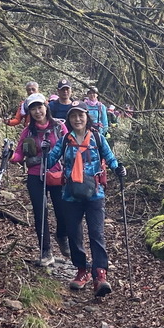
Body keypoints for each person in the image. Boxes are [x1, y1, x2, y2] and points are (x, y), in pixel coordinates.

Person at [43, 101, 126, 297]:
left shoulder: (97, 137)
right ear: (70, 120)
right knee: (74, 234)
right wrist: (43, 153)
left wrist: (118, 168)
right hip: (70, 194)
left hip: (95, 194)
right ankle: (82, 270)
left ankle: (100, 274)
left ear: (86, 117)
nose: (77, 119)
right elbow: (51, 160)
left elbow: (110, 157)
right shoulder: (65, 140)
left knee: (96, 234)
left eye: (80, 115)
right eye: (73, 116)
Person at [10, 93, 69, 266]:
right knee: (40, 212)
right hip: (35, 175)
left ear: (46, 107)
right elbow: (20, 153)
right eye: (33, 109)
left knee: (62, 211)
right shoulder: (28, 131)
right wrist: (11, 156)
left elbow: (70, 147)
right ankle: (45, 251)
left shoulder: (59, 127)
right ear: (29, 112)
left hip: (57, 175)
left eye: (39, 107)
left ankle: (62, 236)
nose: (37, 112)